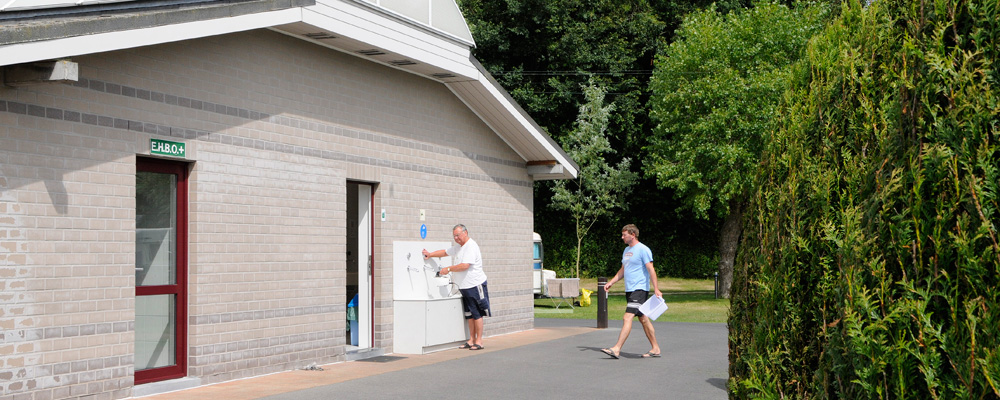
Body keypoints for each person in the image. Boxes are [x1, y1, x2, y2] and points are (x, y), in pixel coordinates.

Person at [423, 224, 490, 350]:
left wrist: (448, 269)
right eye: (454, 236)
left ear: (465, 232)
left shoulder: (471, 246)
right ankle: (471, 340)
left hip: (475, 284)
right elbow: (444, 252)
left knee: (478, 313)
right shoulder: (459, 247)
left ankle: (479, 341)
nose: (456, 238)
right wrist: (430, 254)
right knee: (469, 314)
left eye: (458, 235)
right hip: (464, 286)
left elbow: (465, 265)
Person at [601, 224, 662, 359]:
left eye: (624, 235)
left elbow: (651, 269)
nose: (622, 237)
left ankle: (616, 348)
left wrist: (656, 288)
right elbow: (623, 270)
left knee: (627, 317)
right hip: (629, 290)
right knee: (643, 319)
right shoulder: (626, 251)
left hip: (639, 289)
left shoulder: (643, 249)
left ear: (633, 235)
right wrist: (611, 282)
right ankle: (656, 348)